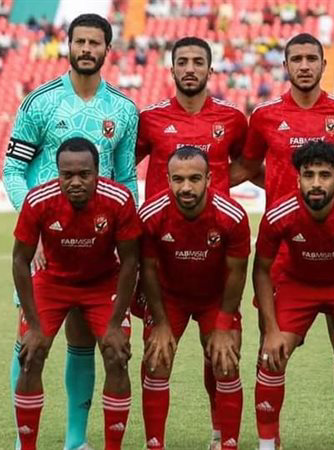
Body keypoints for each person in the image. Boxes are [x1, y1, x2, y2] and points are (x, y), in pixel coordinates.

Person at [1, 13, 138, 450]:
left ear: (107, 49)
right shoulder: (39, 103)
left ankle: (75, 442)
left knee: (84, 340)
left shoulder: (124, 109)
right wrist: (35, 229)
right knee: (30, 341)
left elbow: (127, 178)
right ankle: (24, 439)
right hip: (48, 242)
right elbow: (12, 169)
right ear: (68, 44)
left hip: (99, 245)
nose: (86, 49)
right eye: (80, 41)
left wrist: (124, 233)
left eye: (95, 43)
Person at [229, 32, 334, 448]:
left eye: (312, 58)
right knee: (271, 348)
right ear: (286, 65)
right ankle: (269, 442)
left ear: (324, 64)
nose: (304, 65)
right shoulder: (265, 116)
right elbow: (247, 167)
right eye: (297, 59)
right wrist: (197, 187)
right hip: (286, 254)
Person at [252, 141, 334, 450]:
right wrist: (271, 331)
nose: (315, 183)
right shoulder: (279, 214)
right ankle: (267, 445)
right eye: (308, 175)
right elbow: (261, 271)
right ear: (298, 179)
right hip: (298, 284)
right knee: (271, 357)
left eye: (324, 175)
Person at [11, 138, 140, 450]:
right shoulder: (38, 200)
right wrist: (33, 324)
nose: (76, 182)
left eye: (84, 174)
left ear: (97, 172)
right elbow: (19, 260)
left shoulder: (118, 199)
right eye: (67, 175)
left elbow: (130, 262)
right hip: (53, 282)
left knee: (116, 354)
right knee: (31, 353)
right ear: (58, 174)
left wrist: (115, 323)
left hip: (102, 284)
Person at [138, 146, 250, 450]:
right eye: (178, 179)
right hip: (168, 297)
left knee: (225, 360)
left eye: (194, 179)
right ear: (167, 180)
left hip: (216, 297)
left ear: (209, 179)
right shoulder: (151, 215)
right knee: (156, 360)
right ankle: (155, 445)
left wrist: (223, 326)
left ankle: (224, 440)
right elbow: (147, 270)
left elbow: (237, 274)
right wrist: (160, 323)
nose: (186, 187)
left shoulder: (232, 216)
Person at [137, 36, 247, 200]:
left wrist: (218, 182)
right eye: (182, 63)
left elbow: (248, 166)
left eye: (198, 62)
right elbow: (124, 166)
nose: (189, 69)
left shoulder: (232, 118)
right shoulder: (149, 118)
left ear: (210, 72)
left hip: (214, 215)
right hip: (161, 216)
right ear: (172, 71)